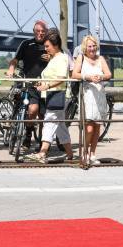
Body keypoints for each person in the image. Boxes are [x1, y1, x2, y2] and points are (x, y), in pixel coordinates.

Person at [25, 29, 74, 164]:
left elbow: (62, 78)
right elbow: (50, 76)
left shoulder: (62, 58)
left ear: (55, 45)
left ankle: (42, 153)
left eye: (47, 46)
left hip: (58, 95)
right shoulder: (54, 59)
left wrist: (47, 86)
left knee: (49, 121)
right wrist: (41, 83)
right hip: (53, 94)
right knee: (60, 126)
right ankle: (70, 154)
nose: (45, 49)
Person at [6, 20, 50, 150]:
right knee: (32, 110)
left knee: (43, 116)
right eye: (38, 31)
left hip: (46, 84)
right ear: (33, 31)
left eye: (43, 31)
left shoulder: (50, 45)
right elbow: (15, 60)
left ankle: (42, 143)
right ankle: (28, 135)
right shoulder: (26, 44)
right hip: (29, 83)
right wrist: (11, 69)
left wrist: (51, 57)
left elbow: (59, 58)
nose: (40, 34)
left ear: (46, 32)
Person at [72, 35, 111, 165]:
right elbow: (74, 74)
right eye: (90, 46)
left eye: (94, 45)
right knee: (88, 127)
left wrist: (101, 77)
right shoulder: (81, 58)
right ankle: (84, 152)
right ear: (85, 47)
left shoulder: (101, 59)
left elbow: (108, 74)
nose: (92, 48)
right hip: (87, 95)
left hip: (99, 95)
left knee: (97, 127)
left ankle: (92, 154)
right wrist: (88, 77)